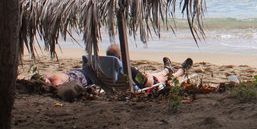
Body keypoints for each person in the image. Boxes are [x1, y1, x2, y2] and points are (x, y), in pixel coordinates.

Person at [42, 45, 193, 89]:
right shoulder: (127, 69)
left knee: (155, 75)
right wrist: (149, 78)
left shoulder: (98, 68)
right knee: (156, 77)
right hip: (145, 81)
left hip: (108, 83)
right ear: (120, 58)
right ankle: (176, 71)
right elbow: (147, 83)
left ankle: (167, 69)